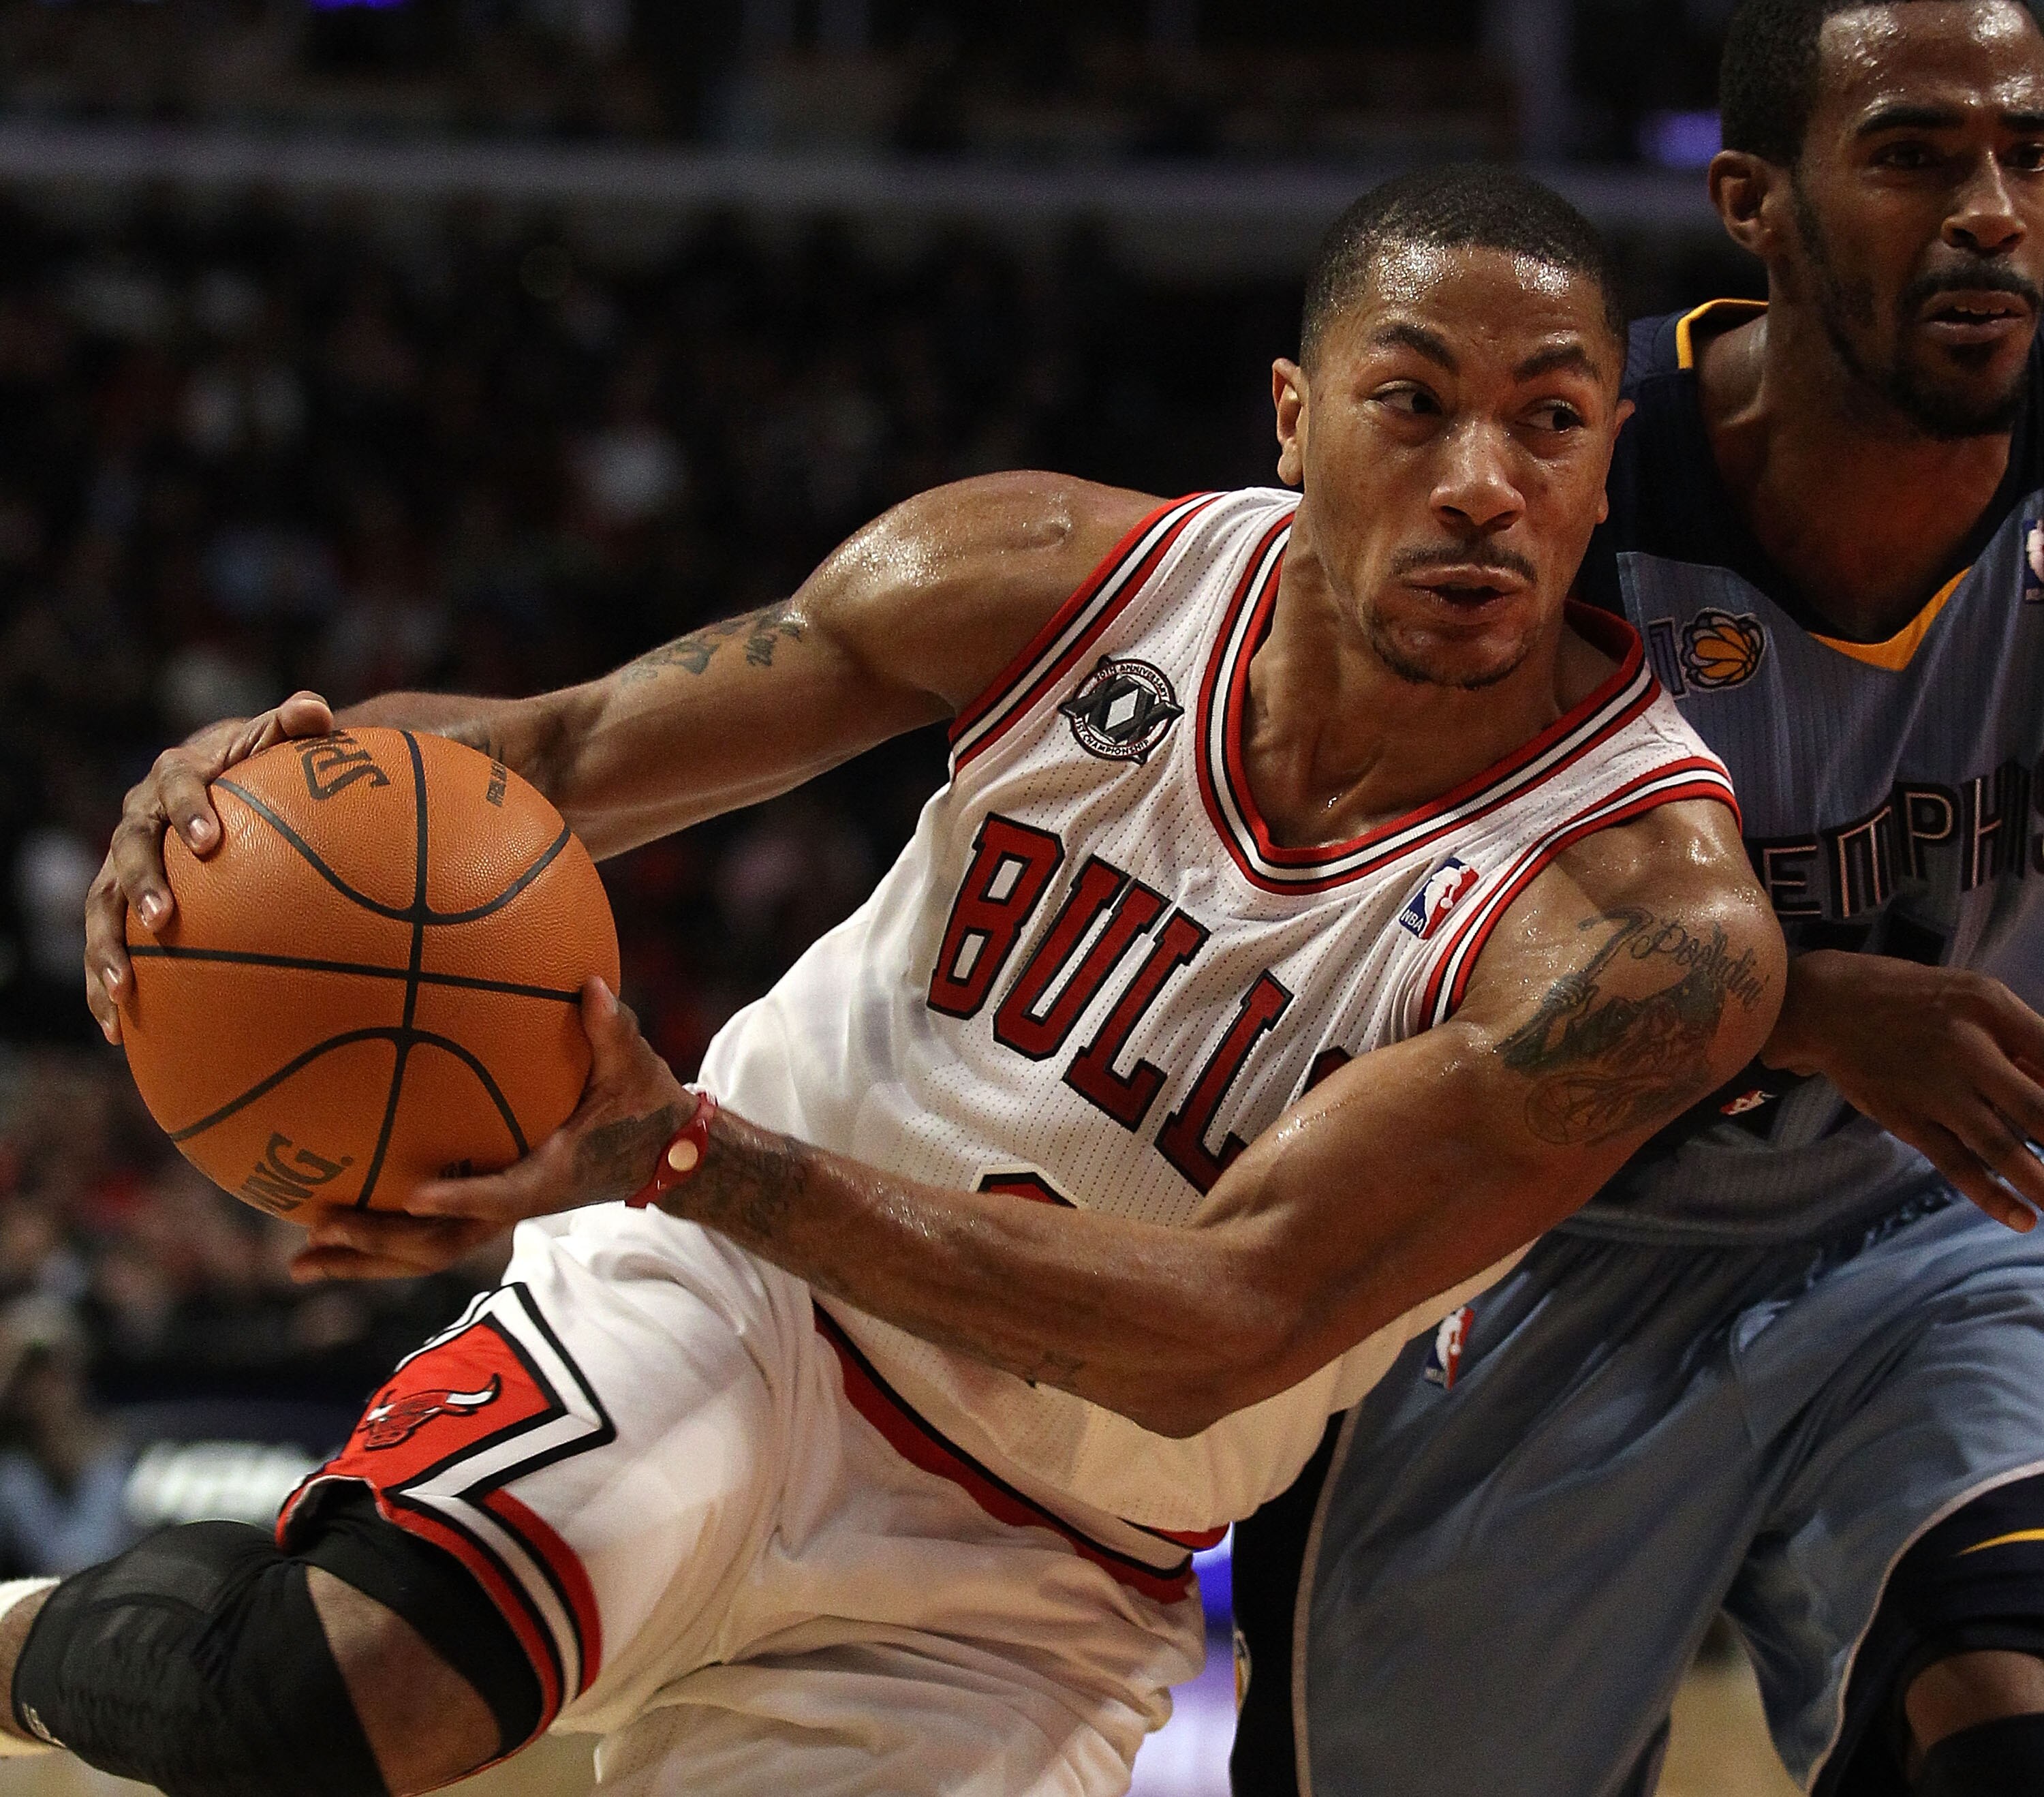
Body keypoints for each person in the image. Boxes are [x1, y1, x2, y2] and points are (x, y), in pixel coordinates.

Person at [10, 170, 1782, 1797]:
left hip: (1032, 1565)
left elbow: (1223, 1329)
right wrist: (241, 800)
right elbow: (555, 754)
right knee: (346, 1690)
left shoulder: (1642, 928)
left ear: (1607, 457)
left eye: (1548, 420)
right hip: (725, 1313)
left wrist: (681, 1149)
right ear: (1295, 417)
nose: (1485, 477)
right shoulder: (1049, 571)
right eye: (1415, 404)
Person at [1229, 5, 2044, 1796]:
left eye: (2030, 156)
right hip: (1521, 1255)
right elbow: (1332, 881)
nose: (1991, 209)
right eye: (1916, 156)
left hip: (1927, 1244)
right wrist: (1801, 1002)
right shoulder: (1551, 484)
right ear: (1756, 200)